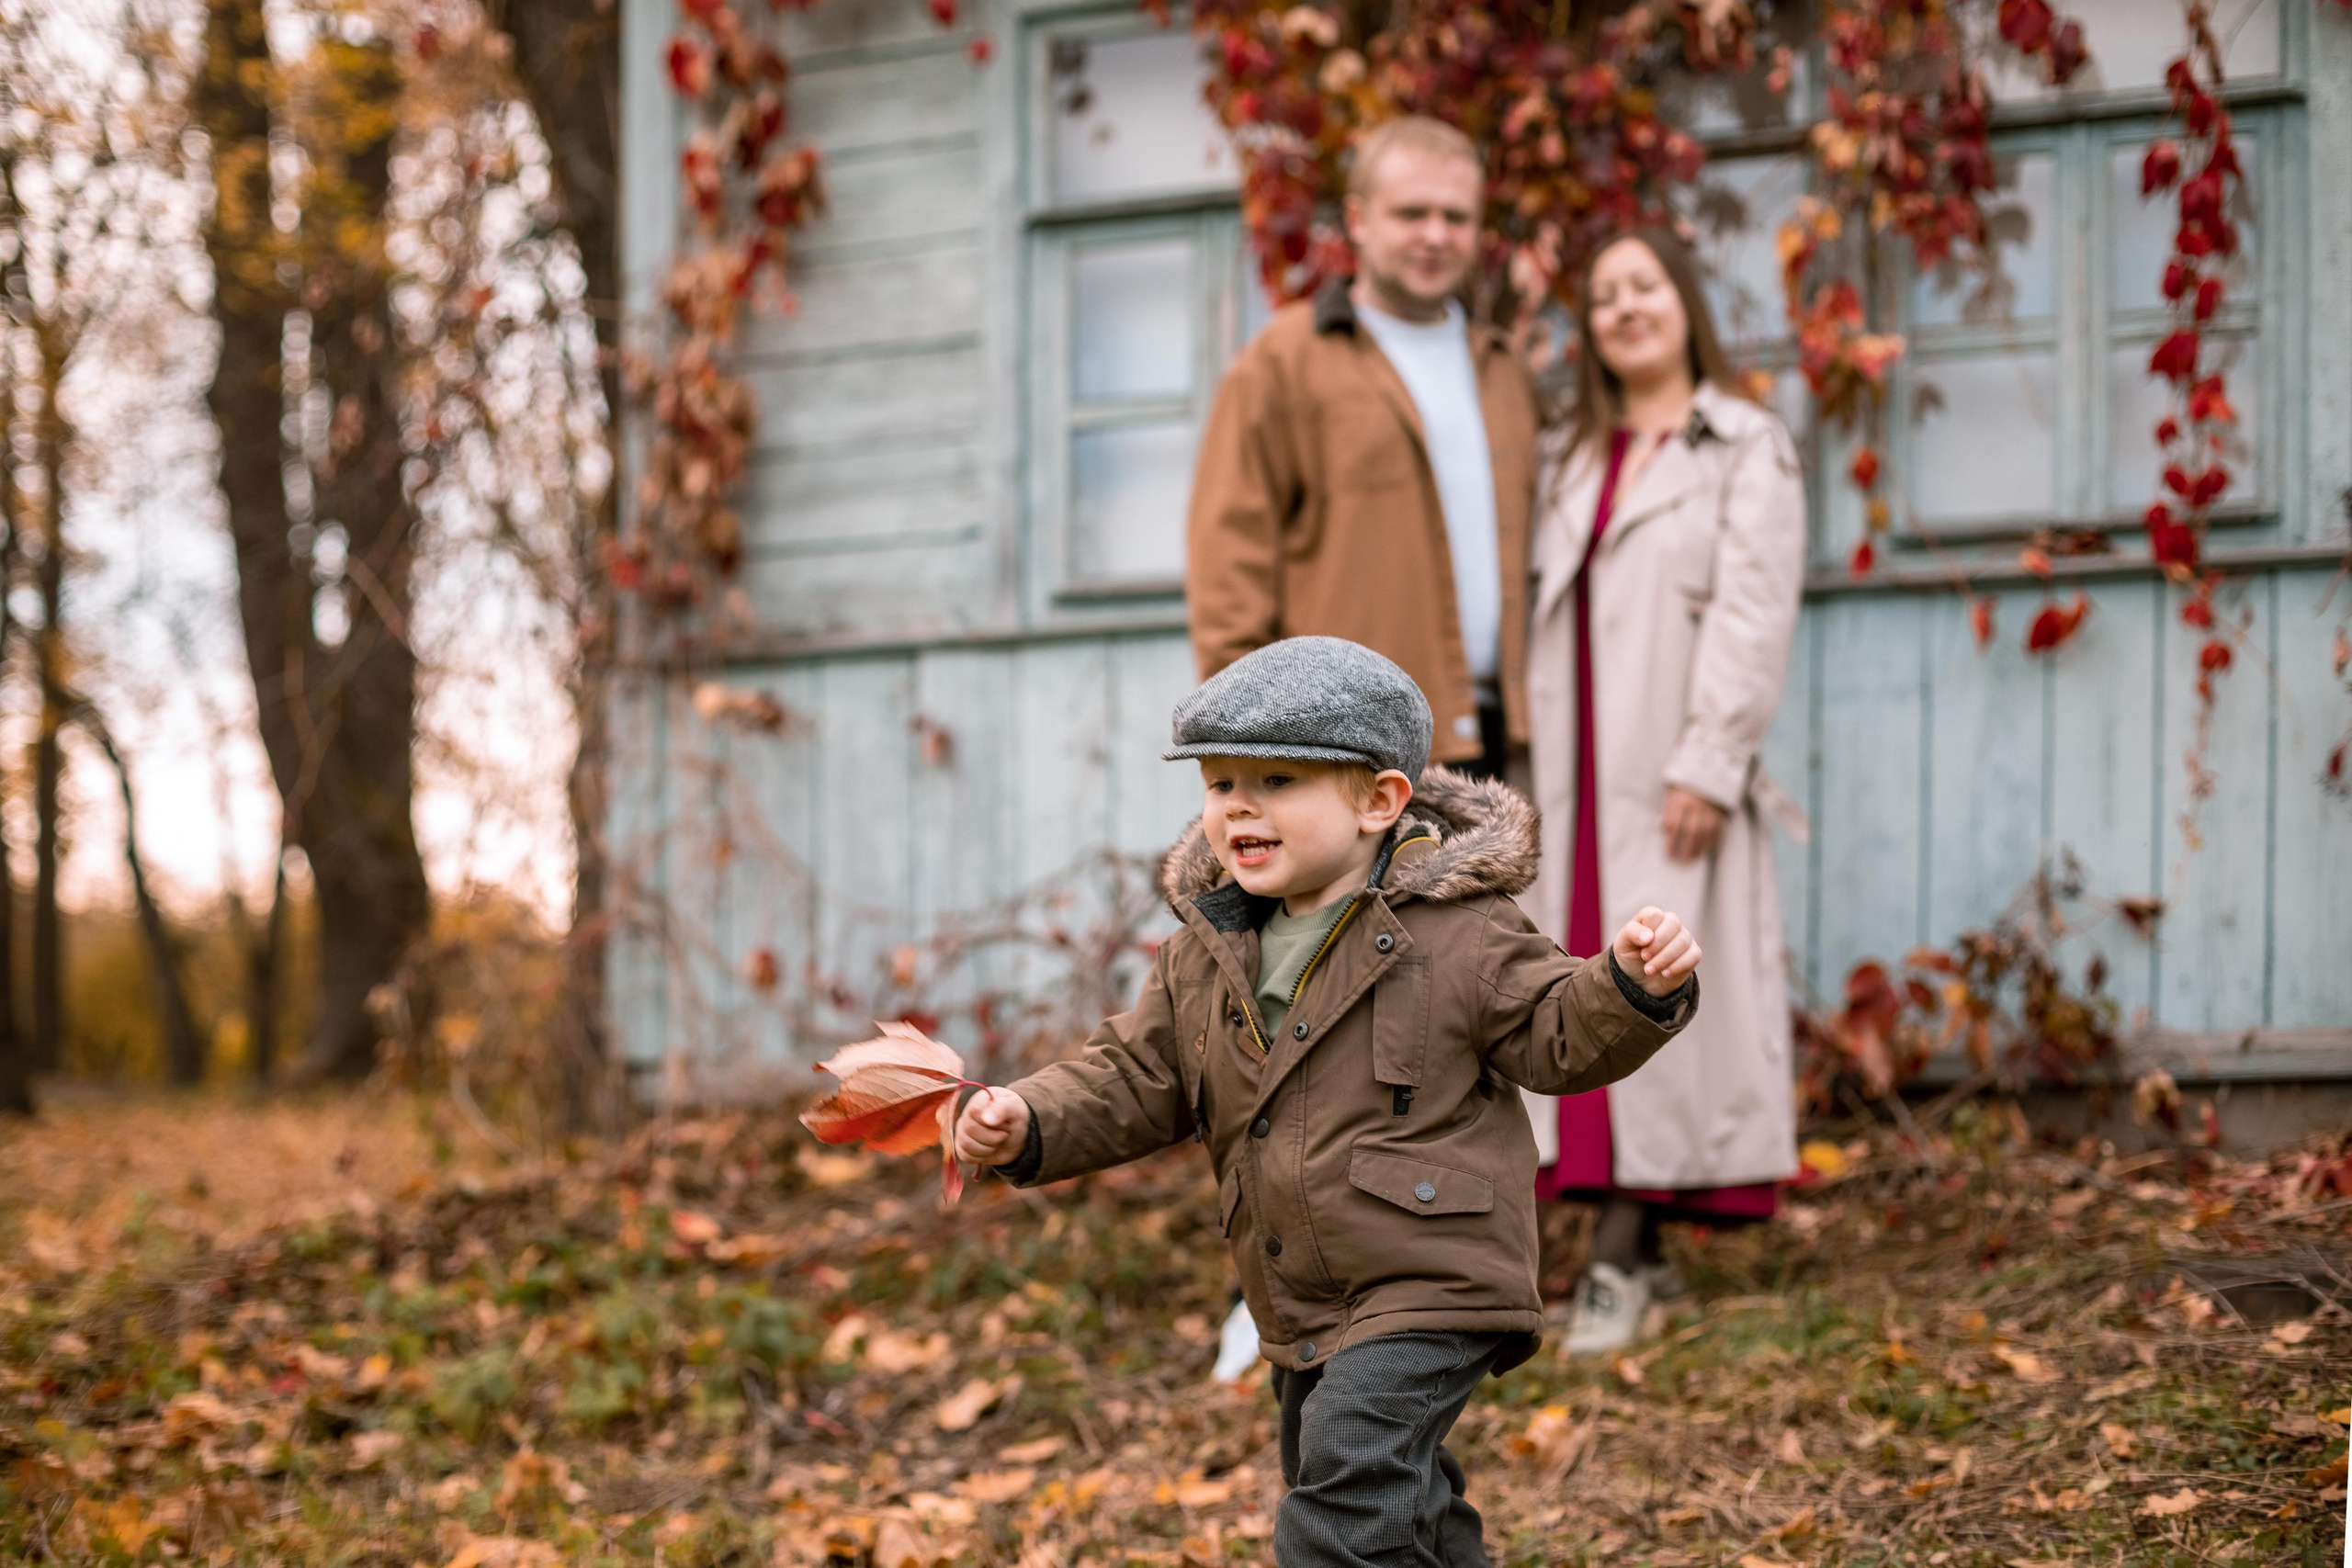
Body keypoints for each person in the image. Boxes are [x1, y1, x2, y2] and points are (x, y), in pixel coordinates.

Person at [950, 637, 1701, 1567]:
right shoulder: (1204, 955)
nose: (1239, 808)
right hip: (1300, 1286)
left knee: (1345, 1485)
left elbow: (1554, 1032)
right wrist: (1026, 1119)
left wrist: (1627, 986)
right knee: (1386, 1490)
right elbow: (1134, 1075)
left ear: (1377, 802)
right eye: (1221, 784)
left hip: (1432, 1271)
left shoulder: (1455, 930)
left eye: (1276, 781)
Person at [1519, 226, 1808, 1355]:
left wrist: (1710, 757)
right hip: (1577, 773)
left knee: (1658, 987)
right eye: (1601, 296)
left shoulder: (1744, 444)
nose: (1624, 307)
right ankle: (1619, 1245)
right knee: (1577, 989)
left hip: (1672, 766)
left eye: (1643, 286)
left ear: (1684, 303)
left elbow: (1752, 610)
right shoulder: (1571, 454)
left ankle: (1621, 1260)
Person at [1184, 117, 1539, 783]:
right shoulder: (1283, 364)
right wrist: (1252, 752)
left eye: (1456, 217)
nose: (1436, 234)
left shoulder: (1505, 372)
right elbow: (1229, 575)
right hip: (1350, 750)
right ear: (1359, 219)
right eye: (1411, 213)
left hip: (1509, 746)